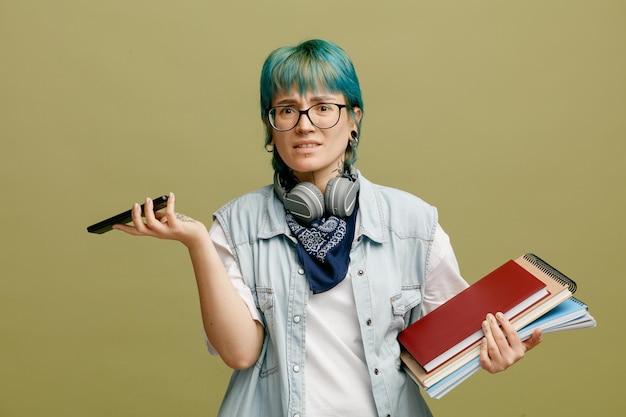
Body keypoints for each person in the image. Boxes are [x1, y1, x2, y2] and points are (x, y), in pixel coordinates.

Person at [114, 39, 542, 417]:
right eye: (287, 110)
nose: (304, 124)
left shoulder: (414, 224)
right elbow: (240, 352)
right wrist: (196, 243)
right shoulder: (236, 225)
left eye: (323, 108)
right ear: (271, 127)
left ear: (353, 119)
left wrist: (490, 353)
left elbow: (450, 341)